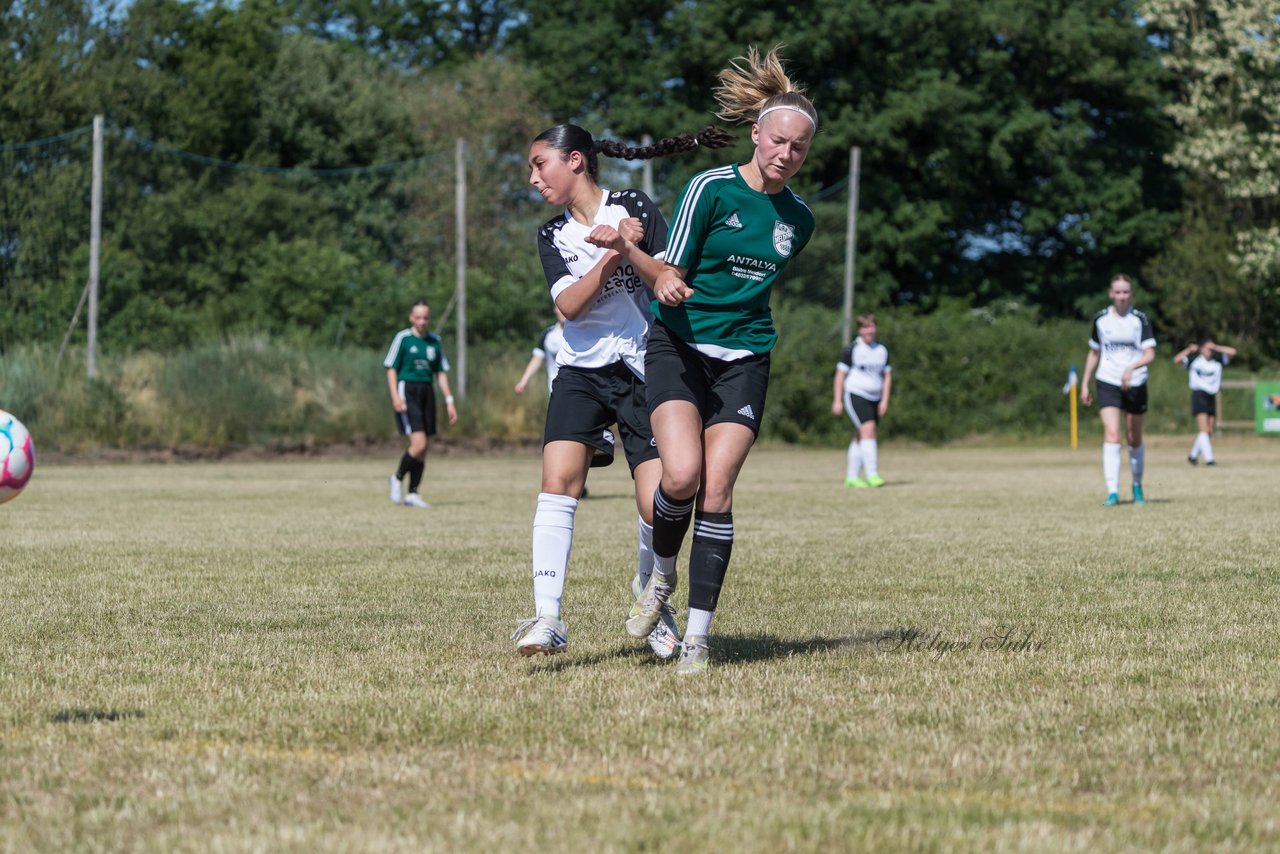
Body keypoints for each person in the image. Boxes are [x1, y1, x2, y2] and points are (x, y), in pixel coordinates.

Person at [511, 121, 733, 659]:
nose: (534, 177)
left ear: (576, 161)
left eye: (541, 164)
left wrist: (630, 245)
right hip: (581, 371)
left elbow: (666, 276)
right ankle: (547, 617)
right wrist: (612, 253)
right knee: (558, 483)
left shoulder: (632, 203)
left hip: (644, 367)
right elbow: (568, 307)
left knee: (657, 502)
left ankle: (651, 601)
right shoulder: (552, 235)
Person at [627, 45, 818, 675]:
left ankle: (699, 641)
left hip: (746, 357)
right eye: (778, 141)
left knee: (717, 487)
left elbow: (754, 291)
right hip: (679, 346)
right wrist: (663, 280)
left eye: (799, 148)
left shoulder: (801, 219)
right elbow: (670, 270)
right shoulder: (711, 188)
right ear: (757, 133)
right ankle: (658, 579)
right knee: (679, 477)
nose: (786, 155)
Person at [1080, 274, 1156, 507]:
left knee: (1134, 439)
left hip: (1135, 383)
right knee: (1113, 434)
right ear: (1111, 294)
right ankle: (1112, 491)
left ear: (1131, 294)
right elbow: (1094, 353)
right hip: (1107, 381)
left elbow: (1150, 354)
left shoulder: (1140, 320)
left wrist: (1131, 368)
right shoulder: (1101, 320)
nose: (1122, 296)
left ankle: (1137, 486)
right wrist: (1085, 382)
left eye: (1126, 292)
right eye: (1118, 292)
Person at [384, 301, 458, 508]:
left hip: (427, 391)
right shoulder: (403, 339)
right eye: (418, 317)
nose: (422, 321)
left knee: (424, 448)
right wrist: (395, 397)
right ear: (411, 318)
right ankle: (397, 478)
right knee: (419, 444)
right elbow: (390, 367)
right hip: (407, 390)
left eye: (425, 317)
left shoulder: (435, 341)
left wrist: (449, 401)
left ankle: (413, 493)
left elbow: (440, 372)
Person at [832, 313, 892, 487]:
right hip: (855, 394)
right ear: (859, 330)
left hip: (876, 397)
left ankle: (851, 477)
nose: (869, 330)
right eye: (865, 327)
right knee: (869, 430)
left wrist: (884, 400)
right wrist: (837, 400)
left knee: (860, 436)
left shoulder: (882, 350)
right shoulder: (853, 349)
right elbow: (840, 375)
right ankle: (872, 475)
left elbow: (887, 376)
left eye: (872, 326)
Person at [1172, 337, 1237, 465]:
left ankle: (1193, 456)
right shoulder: (1194, 361)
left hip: (1211, 396)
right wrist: (1189, 350)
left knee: (1209, 431)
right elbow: (1177, 360)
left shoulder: (1217, 361)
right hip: (1199, 395)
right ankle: (1209, 459)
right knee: (1204, 429)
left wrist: (1216, 347)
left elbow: (1233, 352)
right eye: (1207, 348)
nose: (1210, 351)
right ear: (1201, 349)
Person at [514, 307, 568, 396]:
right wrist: (523, 381)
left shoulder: (584, 332)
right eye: (559, 306)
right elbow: (537, 358)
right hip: (555, 392)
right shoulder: (548, 334)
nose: (563, 310)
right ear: (554, 309)